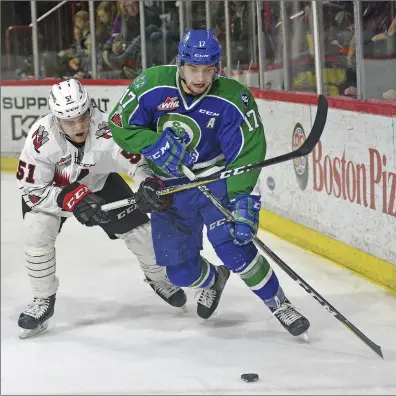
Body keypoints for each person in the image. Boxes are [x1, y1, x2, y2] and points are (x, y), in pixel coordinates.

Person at [108, 29, 310, 337]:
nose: (201, 77)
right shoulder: (151, 85)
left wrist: (244, 199)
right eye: (193, 68)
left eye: (208, 69)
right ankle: (213, 279)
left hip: (215, 180)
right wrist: (152, 143)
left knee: (235, 249)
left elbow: (247, 151)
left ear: (217, 66)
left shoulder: (233, 97)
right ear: (180, 63)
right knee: (179, 272)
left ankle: (279, 303)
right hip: (170, 189)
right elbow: (119, 124)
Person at [16, 78, 187, 339]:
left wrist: (147, 183)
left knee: (142, 234)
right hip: (55, 192)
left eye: (83, 116)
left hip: (99, 185)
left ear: (90, 108)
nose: (79, 126)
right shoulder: (41, 139)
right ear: (56, 119)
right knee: (36, 231)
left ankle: (157, 278)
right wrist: (70, 198)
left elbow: (134, 162)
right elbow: (31, 191)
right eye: (70, 121)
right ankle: (43, 299)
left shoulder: (106, 127)